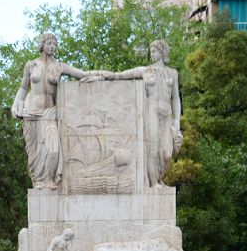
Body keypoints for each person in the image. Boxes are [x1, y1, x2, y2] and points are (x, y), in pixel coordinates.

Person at [11, 33, 94, 189]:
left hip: (50, 113)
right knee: (34, 155)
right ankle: (39, 182)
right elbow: (23, 88)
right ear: (42, 45)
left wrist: (101, 76)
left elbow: (81, 74)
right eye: (49, 43)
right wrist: (16, 105)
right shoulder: (31, 65)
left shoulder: (59, 66)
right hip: (31, 114)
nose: (52, 46)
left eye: (54, 44)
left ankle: (50, 180)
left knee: (53, 150)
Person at [101, 40, 182, 188]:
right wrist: (107, 75)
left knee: (167, 153)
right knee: (152, 149)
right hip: (151, 111)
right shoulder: (145, 71)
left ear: (163, 52)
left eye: (155, 51)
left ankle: (160, 178)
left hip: (166, 113)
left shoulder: (173, 73)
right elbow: (122, 75)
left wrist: (177, 120)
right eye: (151, 51)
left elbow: (175, 98)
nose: (152, 54)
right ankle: (154, 183)